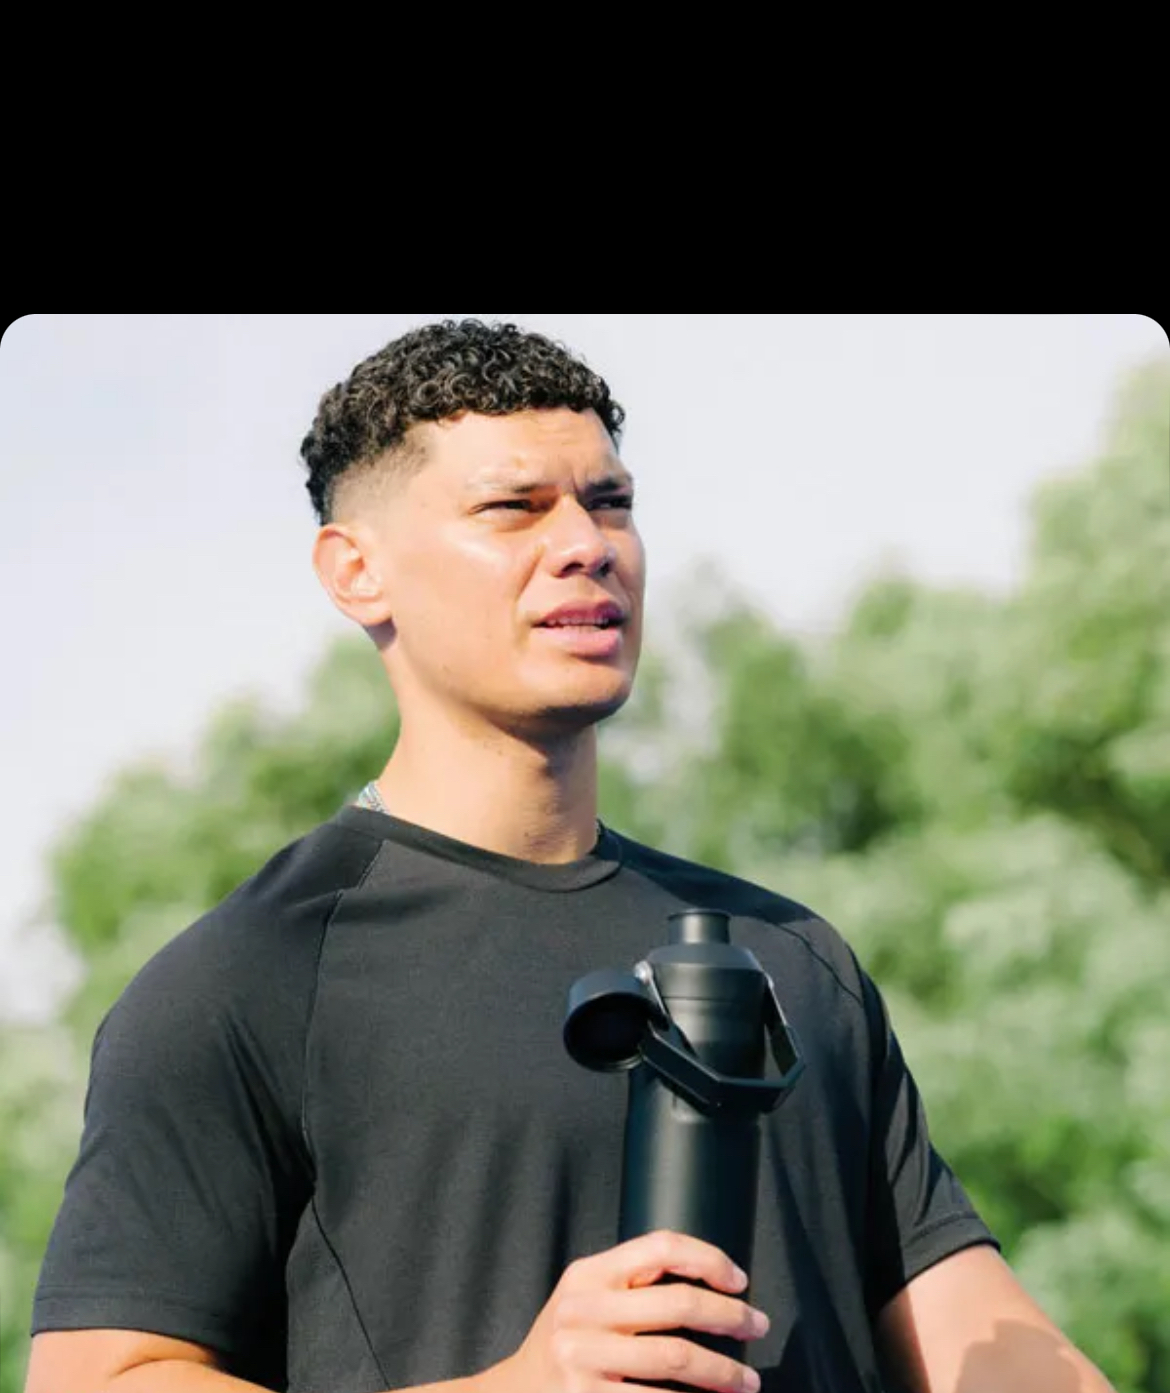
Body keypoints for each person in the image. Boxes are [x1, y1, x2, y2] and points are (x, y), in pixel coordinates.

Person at [25, 320, 1115, 1393]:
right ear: (356, 572)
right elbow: (95, 1378)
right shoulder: (245, 978)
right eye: (514, 507)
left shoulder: (792, 953)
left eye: (610, 502)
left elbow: (982, 1343)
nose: (587, 543)